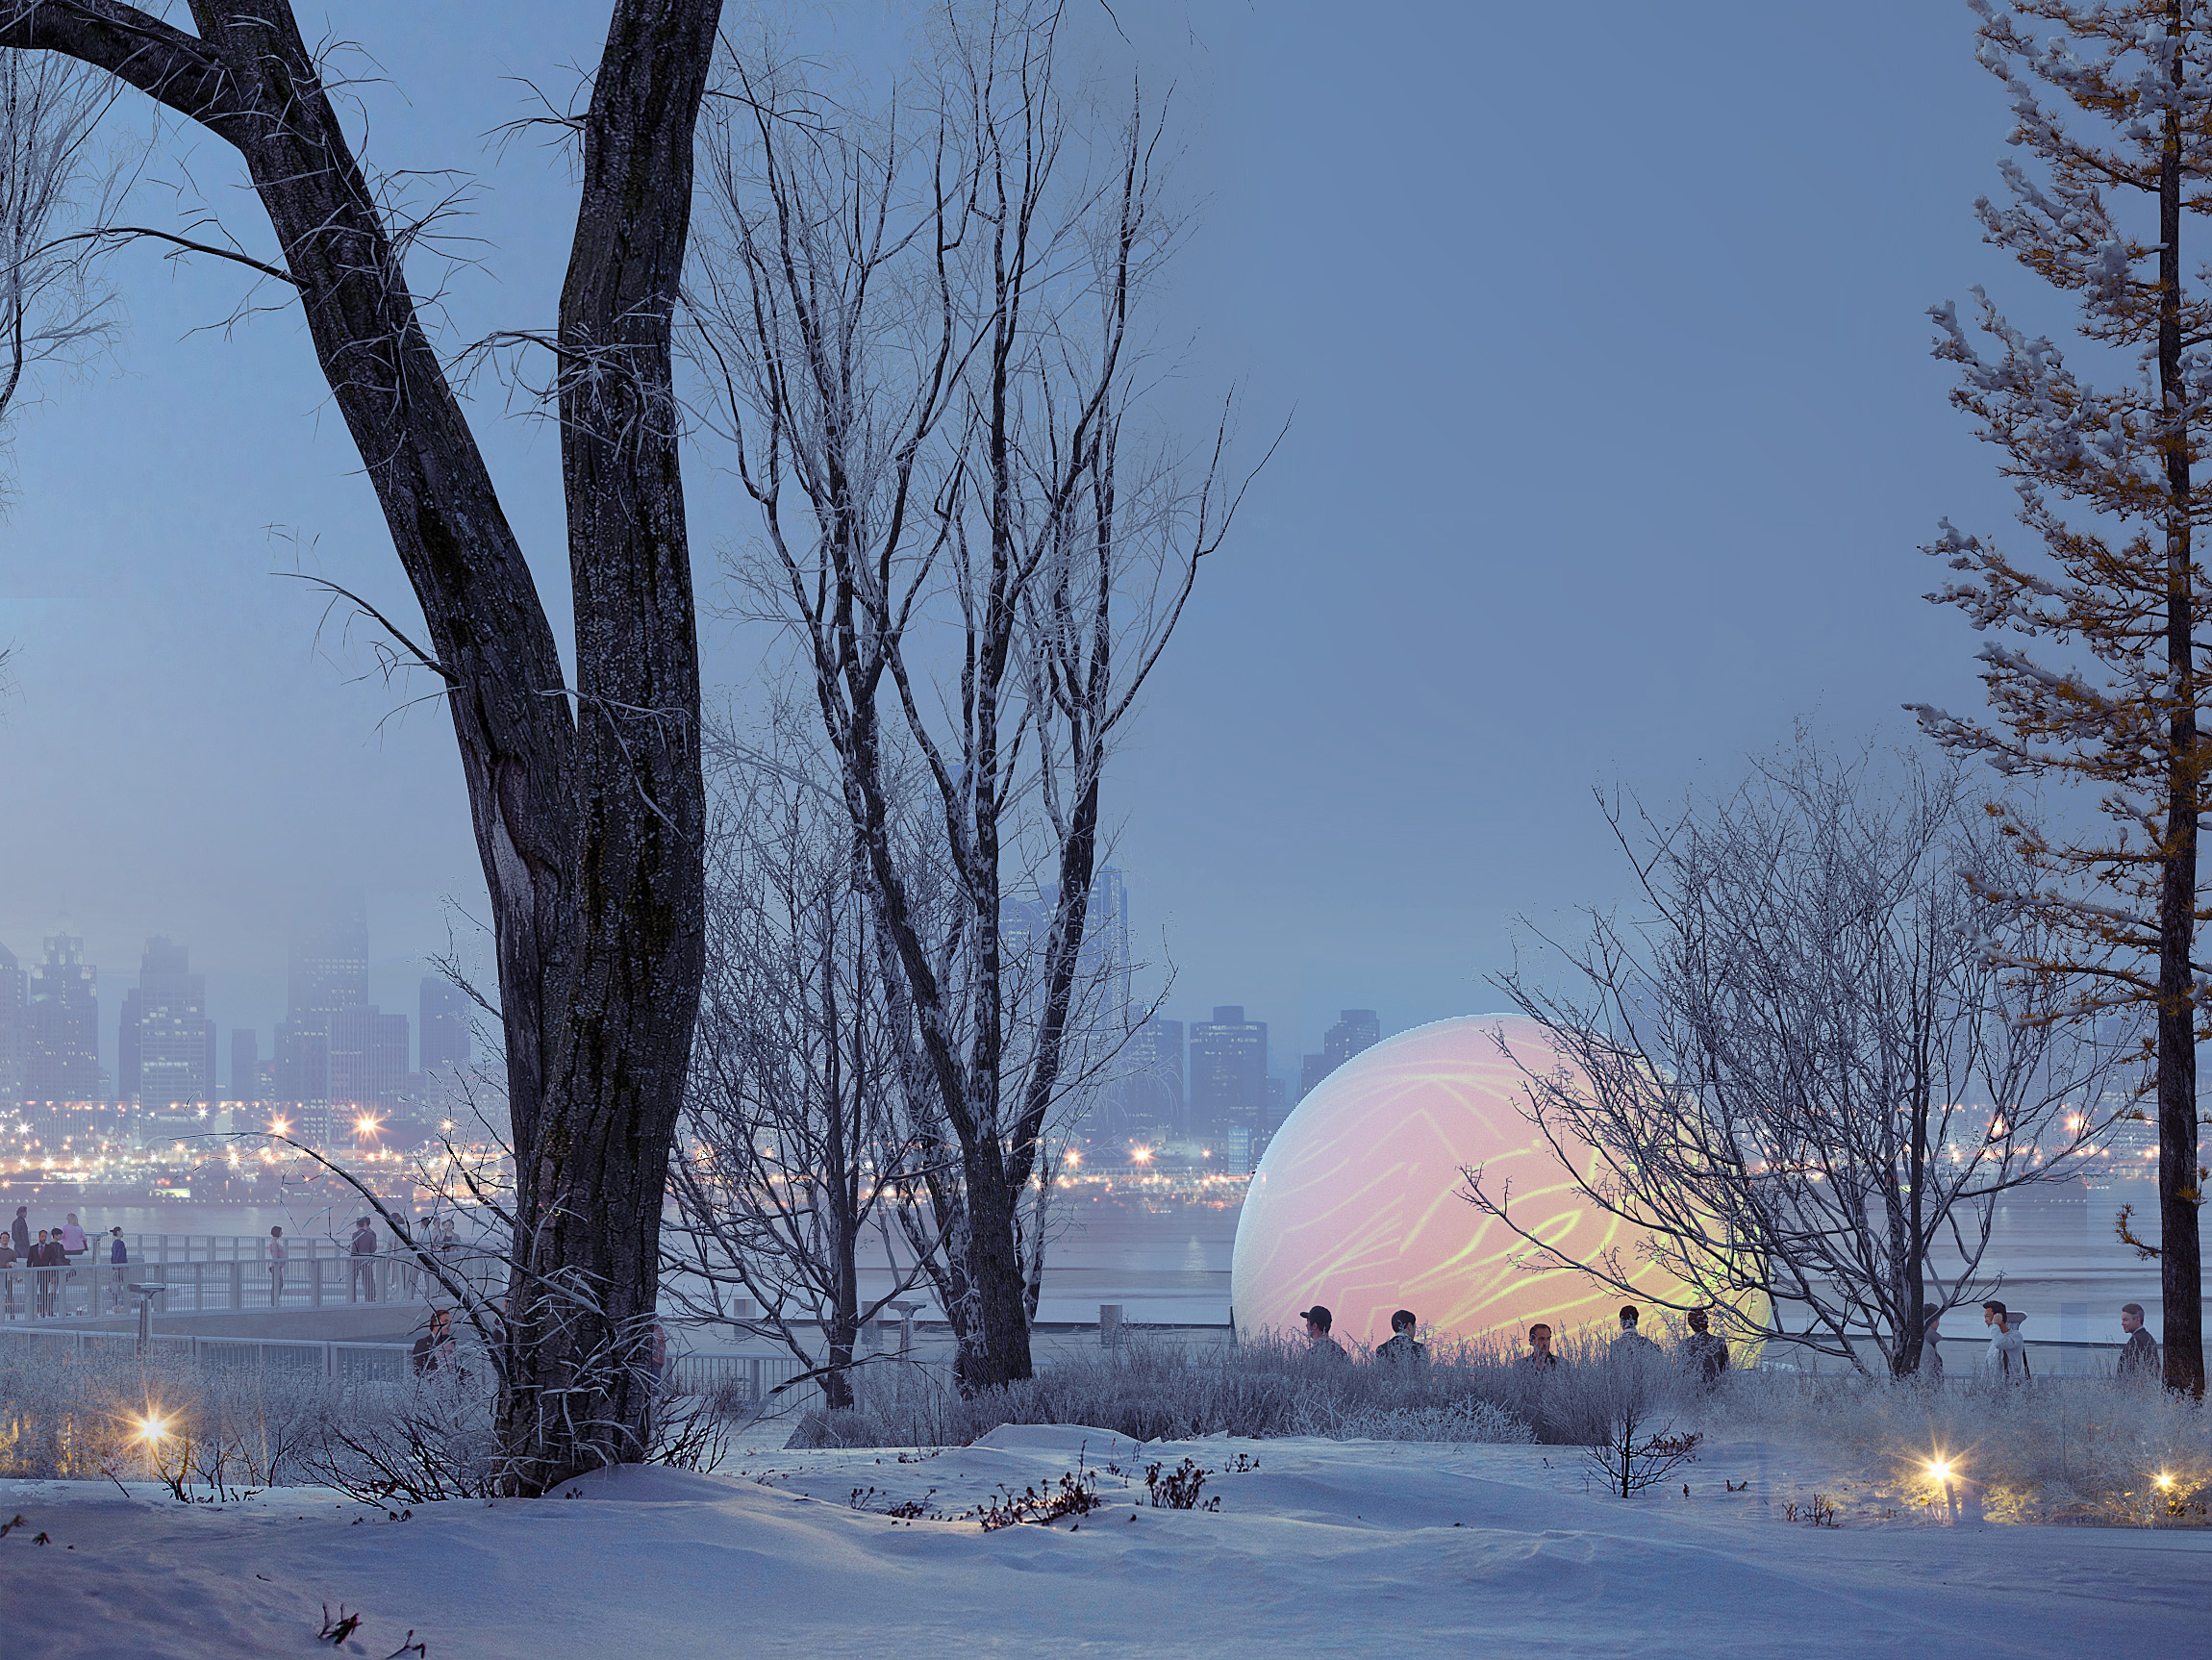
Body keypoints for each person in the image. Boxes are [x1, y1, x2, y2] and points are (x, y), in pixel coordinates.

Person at [1678, 1308, 1728, 1387]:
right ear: (1706, 1322)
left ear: (1691, 1324)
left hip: (1691, 1391)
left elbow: (1681, 1373)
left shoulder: (1684, 1345)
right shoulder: (1720, 1342)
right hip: (1716, 1390)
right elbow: (1726, 1371)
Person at [1981, 1300, 2029, 1383]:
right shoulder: (1993, 1342)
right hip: (1993, 1389)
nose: (1985, 1320)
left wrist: (1995, 1325)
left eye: (1987, 1316)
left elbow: (2000, 1343)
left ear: (1998, 1316)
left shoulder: (2015, 1336)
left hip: (2011, 1388)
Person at [2117, 1302, 2161, 1383]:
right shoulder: (2149, 1338)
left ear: (2137, 1320)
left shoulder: (2136, 1341)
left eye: (2125, 1320)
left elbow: (2131, 1369)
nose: (2122, 1323)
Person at [412, 1307, 458, 1375]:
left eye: (450, 1322)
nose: (449, 1326)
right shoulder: (422, 1343)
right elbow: (419, 1369)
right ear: (435, 1323)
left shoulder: (450, 1342)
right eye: (445, 1321)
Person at [32, 1229, 62, 1318]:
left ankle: (43, 1311)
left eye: (45, 1236)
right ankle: (34, 1311)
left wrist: (52, 1275)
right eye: (42, 1236)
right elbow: (29, 1262)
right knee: (33, 1292)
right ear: (39, 1237)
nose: (44, 1238)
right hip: (35, 1273)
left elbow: (53, 1263)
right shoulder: (33, 1248)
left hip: (45, 1274)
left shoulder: (50, 1249)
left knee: (44, 1293)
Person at [349, 1218, 379, 1303]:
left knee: (353, 1280)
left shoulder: (355, 1235)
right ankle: (369, 1298)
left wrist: (353, 1257)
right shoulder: (371, 1235)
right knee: (368, 1280)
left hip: (356, 1260)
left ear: (357, 1225)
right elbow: (373, 1248)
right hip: (367, 1260)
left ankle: (353, 1298)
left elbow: (354, 1249)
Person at [1920, 1308, 1944, 1386]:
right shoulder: (1926, 1346)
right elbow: (1926, 1378)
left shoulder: (1927, 1342)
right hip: (1928, 1395)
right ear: (1933, 1321)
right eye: (1938, 1319)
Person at [108, 1227, 129, 1313]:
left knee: (116, 1286)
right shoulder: (120, 1243)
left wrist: (114, 1268)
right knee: (123, 1285)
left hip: (116, 1268)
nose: (123, 1232)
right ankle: (123, 1304)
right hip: (121, 1267)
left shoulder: (114, 1243)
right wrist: (117, 1267)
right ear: (118, 1232)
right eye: (121, 1231)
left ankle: (116, 1304)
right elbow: (119, 1256)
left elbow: (113, 1257)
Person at [267, 1226, 289, 1305]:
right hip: (275, 1267)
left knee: (278, 1284)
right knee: (277, 1284)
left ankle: (275, 1301)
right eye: (280, 1231)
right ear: (277, 1232)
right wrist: (277, 1269)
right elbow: (275, 1257)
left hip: (277, 1267)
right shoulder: (273, 1243)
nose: (282, 1233)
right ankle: (274, 1302)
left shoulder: (274, 1242)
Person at [0, 1228, 16, 1318]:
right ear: (0, 1239)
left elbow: (15, 1263)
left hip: (8, 1277)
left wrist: (11, 1264)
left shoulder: (12, 1252)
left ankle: (11, 1312)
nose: (5, 1239)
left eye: (6, 1238)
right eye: (3, 1238)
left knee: (10, 1294)